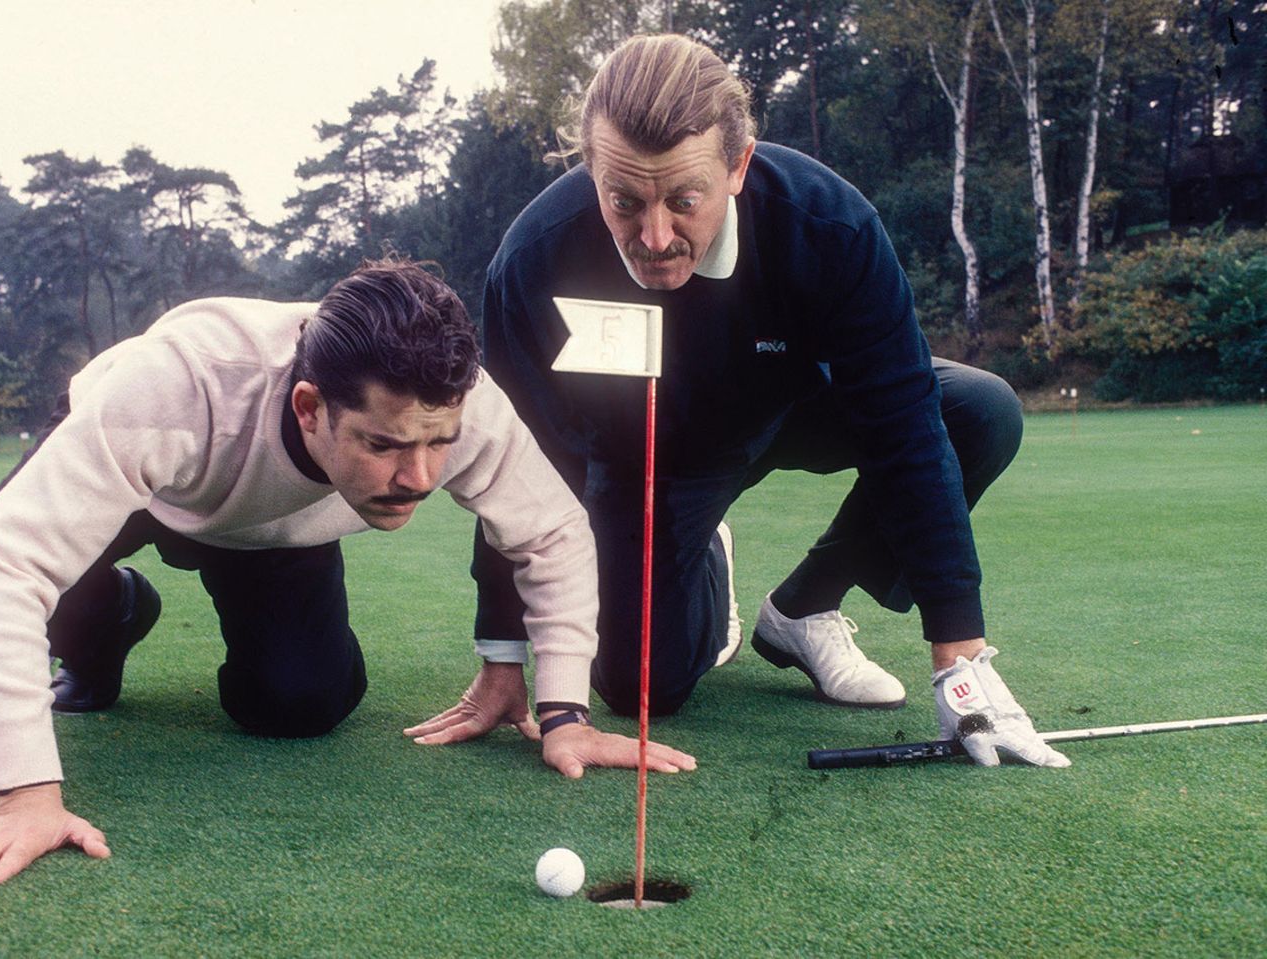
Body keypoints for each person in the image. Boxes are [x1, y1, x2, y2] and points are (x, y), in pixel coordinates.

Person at [0, 259, 696, 888]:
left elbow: (553, 531)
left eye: (438, 443)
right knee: (21, 583)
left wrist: (564, 711)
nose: (420, 477)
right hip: (149, 485)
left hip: (272, 529)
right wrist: (27, 797)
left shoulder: (459, 405)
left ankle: (152, 619)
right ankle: (108, 614)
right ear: (311, 407)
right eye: (383, 445)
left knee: (301, 701)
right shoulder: (172, 387)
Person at [443, 34, 1069, 769]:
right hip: (656, 459)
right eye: (624, 201)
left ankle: (805, 604)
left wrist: (959, 661)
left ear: (738, 166)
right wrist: (503, 654)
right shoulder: (533, 260)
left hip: (797, 404)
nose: (655, 237)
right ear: (591, 170)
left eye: (684, 201)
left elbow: (903, 425)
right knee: (643, 686)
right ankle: (707, 552)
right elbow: (514, 467)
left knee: (980, 412)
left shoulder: (830, 225)